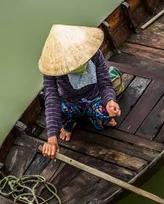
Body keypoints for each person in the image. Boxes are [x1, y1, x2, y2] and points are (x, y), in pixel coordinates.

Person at [38, 24, 121, 160]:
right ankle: (70, 122)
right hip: (71, 102)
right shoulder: (52, 67)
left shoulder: (94, 54)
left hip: (94, 98)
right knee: (59, 110)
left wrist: (110, 101)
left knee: (107, 112)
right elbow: (51, 98)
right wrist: (52, 137)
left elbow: (105, 84)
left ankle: (96, 116)